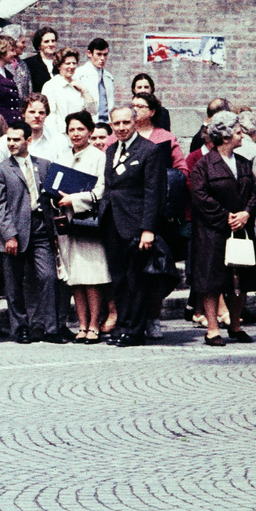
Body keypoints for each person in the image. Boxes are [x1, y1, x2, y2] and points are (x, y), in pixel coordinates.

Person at [93, 106, 169, 346]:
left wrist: (149, 229)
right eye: (117, 124)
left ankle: (135, 330)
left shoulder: (149, 150)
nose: (122, 128)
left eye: (126, 122)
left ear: (135, 122)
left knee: (137, 279)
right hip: (111, 223)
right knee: (119, 279)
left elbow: (154, 192)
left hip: (136, 225)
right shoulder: (111, 149)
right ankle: (123, 325)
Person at [187, 111, 256, 347]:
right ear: (226, 136)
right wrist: (225, 216)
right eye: (239, 132)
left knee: (241, 280)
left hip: (240, 229)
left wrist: (246, 213)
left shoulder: (243, 162)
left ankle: (236, 324)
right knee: (211, 281)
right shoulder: (204, 165)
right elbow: (199, 196)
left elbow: (255, 191)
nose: (242, 136)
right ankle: (212, 329)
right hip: (212, 231)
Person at [0, 120, 63, 343]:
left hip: (40, 228)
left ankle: (50, 327)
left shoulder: (45, 164)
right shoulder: (0, 170)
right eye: (8, 139)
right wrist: (9, 235)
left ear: (28, 140)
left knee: (48, 277)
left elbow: (53, 196)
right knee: (14, 284)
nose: (11, 143)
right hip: (14, 232)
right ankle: (20, 327)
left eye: (16, 139)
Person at [52, 111, 111, 342]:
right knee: (75, 276)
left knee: (92, 275)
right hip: (66, 222)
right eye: (72, 130)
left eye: (80, 129)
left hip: (88, 222)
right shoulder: (62, 157)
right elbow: (53, 184)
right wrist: (55, 198)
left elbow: (100, 190)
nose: (76, 134)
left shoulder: (98, 157)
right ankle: (82, 324)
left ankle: (94, 324)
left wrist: (75, 199)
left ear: (89, 131)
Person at [39, 47, 95, 143]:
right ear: (59, 65)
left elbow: (92, 111)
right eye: (67, 63)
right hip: (62, 138)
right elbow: (50, 116)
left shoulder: (79, 83)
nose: (72, 66)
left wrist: (84, 89)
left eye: (74, 63)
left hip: (81, 137)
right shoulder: (51, 86)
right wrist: (55, 139)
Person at [22, 27, 58, 93]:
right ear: (39, 45)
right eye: (46, 42)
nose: (51, 44)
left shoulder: (62, 61)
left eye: (53, 41)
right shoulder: (29, 64)